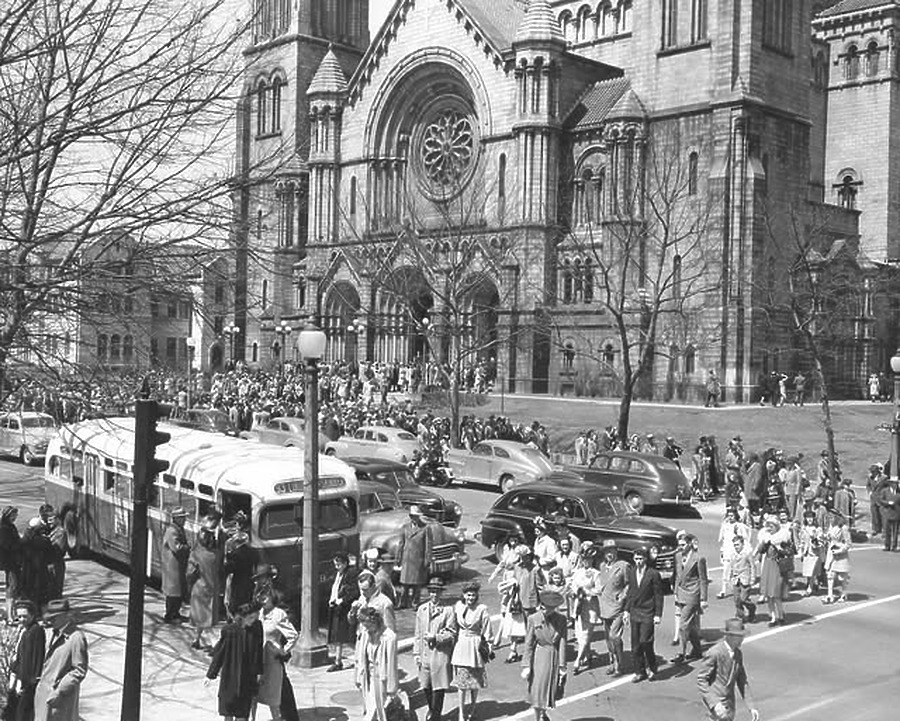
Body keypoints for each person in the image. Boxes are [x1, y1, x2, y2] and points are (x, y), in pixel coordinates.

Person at [205, 601, 264, 721]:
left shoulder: (257, 628)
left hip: (248, 677)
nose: (253, 620)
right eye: (251, 617)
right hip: (230, 675)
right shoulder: (229, 631)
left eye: (255, 617)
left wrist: (259, 672)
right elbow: (220, 653)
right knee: (229, 710)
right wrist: (211, 674)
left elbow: (258, 651)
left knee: (243, 713)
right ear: (242, 617)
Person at [33, 600, 88, 721]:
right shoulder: (55, 633)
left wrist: (60, 691)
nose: (50, 621)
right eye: (49, 618)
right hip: (44, 694)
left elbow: (79, 670)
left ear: (66, 616)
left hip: (59, 699)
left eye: (54, 618)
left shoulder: (76, 638)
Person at [696, 618, 759, 721]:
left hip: (729, 708)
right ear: (729, 636)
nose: (742, 639)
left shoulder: (738, 654)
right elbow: (702, 680)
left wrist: (751, 706)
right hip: (714, 710)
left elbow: (742, 681)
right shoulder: (714, 653)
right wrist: (715, 703)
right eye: (739, 636)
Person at [413, 577, 457, 721]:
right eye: (432, 592)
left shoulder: (448, 611)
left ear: (441, 593)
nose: (434, 595)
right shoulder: (422, 609)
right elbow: (418, 633)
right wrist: (416, 653)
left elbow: (451, 634)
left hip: (440, 654)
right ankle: (432, 710)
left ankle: (435, 716)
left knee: (438, 687)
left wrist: (436, 637)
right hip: (425, 654)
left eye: (437, 592)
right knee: (425, 685)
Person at [521, 590, 568, 721]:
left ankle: (543, 713)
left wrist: (562, 665)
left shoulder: (561, 619)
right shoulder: (533, 619)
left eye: (552, 608)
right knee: (538, 689)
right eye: (547, 608)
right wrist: (526, 665)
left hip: (553, 655)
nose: (549, 610)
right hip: (539, 656)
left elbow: (563, 641)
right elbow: (529, 643)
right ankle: (538, 716)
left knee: (550, 689)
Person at [450, 582, 493, 721]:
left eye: (473, 595)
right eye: (468, 595)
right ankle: (461, 714)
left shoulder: (482, 609)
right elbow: (452, 625)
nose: (471, 598)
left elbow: (487, 628)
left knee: (474, 682)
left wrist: (489, 644)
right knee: (461, 683)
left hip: (475, 646)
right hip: (461, 645)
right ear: (464, 595)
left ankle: (473, 708)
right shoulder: (458, 606)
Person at [623, 548, 663, 683]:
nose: (638, 562)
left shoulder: (653, 574)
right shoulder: (632, 572)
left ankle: (652, 667)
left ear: (645, 559)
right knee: (635, 645)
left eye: (640, 559)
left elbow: (658, 595)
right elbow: (631, 593)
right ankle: (640, 672)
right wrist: (626, 610)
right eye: (636, 559)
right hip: (635, 611)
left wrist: (658, 614)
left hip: (648, 612)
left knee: (646, 641)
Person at [257, 590, 298, 721]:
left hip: (272, 661)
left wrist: (283, 651)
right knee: (255, 696)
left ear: (272, 597)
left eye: (265, 595)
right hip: (257, 660)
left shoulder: (278, 614)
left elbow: (293, 635)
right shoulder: (258, 613)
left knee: (273, 697)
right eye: (259, 595)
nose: (262, 598)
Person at [355, 607, 399, 721]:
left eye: (368, 625)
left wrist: (391, 689)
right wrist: (359, 677)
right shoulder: (365, 633)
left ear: (375, 622)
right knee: (371, 709)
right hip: (367, 676)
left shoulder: (389, 637)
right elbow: (361, 655)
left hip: (380, 678)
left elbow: (391, 664)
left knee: (373, 711)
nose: (366, 628)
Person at [671, 534, 709, 664]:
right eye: (679, 545)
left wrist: (703, 598)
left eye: (683, 545)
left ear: (690, 544)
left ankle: (681, 652)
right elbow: (677, 575)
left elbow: (703, 579)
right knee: (691, 625)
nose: (680, 547)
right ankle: (697, 650)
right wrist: (676, 590)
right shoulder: (678, 556)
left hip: (693, 594)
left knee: (683, 624)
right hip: (681, 593)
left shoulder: (699, 558)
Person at [8, 599, 45, 721]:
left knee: (23, 715)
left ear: (33, 615)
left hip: (27, 681)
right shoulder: (24, 630)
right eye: (19, 616)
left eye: (25, 616)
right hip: (18, 678)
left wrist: (24, 682)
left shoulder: (36, 631)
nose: (22, 619)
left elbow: (33, 658)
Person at [596, 539, 629, 677]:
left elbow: (629, 584)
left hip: (617, 607)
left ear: (616, 551)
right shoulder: (602, 566)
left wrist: (623, 594)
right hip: (604, 607)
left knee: (614, 636)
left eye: (612, 550)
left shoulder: (623, 566)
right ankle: (612, 662)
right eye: (607, 551)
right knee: (608, 639)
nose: (610, 553)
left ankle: (619, 664)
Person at [187, 519, 220, 651]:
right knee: (207, 617)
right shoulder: (215, 554)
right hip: (213, 587)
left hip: (200, 588)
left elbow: (190, 573)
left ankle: (214, 644)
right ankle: (197, 639)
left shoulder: (196, 554)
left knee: (204, 618)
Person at [754, 515, 791, 625]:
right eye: (768, 526)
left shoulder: (783, 537)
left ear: (776, 526)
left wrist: (779, 548)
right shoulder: (766, 537)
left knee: (776, 594)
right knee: (769, 595)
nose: (769, 528)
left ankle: (781, 615)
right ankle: (773, 617)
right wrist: (764, 543)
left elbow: (789, 551)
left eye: (771, 526)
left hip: (777, 567)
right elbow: (760, 550)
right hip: (768, 565)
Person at [569, 543, 599, 675]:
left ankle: (577, 661)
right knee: (580, 634)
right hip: (578, 606)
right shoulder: (578, 572)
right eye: (584, 559)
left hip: (590, 606)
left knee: (586, 634)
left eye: (589, 559)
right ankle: (588, 655)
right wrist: (575, 591)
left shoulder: (596, 574)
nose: (586, 562)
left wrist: (586, 591)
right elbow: (572, 585)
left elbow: (599, 590)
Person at [396, 505, 433, 610]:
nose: (414, 518)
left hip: (418, 560)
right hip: (407, 560)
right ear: (410, 516)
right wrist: (398, 558)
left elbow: (428, 546)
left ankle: (415, 603)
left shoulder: (425, 528)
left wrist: (427, 560)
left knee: (417, 584)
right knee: (404, 584)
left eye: (416, 516)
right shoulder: (405, 527)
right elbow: (401, 543)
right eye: (412, 516)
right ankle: (403, 602)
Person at [327, 552, 359, 672]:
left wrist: (343, 600)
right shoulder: (337, 574)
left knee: (349, 637)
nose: (337, 567)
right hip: (336, 608)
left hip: (346, 608)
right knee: (337, 636)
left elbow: (354, 592)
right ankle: (338, 661)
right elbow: (334, 588)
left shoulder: (350, 574)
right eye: (335, 565)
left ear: (345, 563)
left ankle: (360, 658)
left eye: (339, 565)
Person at [161, 506, 190, 623]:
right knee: (173, 592)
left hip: (177, 565)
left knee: (177, 592)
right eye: (182, 518)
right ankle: (170, 615)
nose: (184, 520)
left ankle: (176, 613)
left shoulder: (178, 529)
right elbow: (177, 548)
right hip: (172, 566)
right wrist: (188, 548)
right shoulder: (172, 531)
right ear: (176, 519)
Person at [716, 507, 749, 599]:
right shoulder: (725, 525)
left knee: (738, 571)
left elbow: (745, 538)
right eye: (729, 515)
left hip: (736, 551)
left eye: (732, 515)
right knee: (726, 570)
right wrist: (722, 550)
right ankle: (723, 590)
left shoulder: (739, 526)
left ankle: (739, 589)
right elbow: (721, 538)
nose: (730, 517)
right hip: (727, 550)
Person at [223, 531, 257, 619]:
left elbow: (228, 569)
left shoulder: (234, 554)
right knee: (248, 602)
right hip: (250, 581)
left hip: (238, 582)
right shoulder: (253, 552)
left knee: (237, 605)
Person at [823, 512, 852, 604]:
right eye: (829, 517)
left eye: (832, 517)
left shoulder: (843, 528)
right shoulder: (831, 527)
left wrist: (840, 550)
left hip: (840, 554)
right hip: (831, 553)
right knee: (830, 575)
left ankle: (844, 594)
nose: (830, 519)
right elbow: (829, 538)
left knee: (842, 577)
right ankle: (829, 595)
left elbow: (848, 544)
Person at [0, 506, 22, 619]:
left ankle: (13, 612)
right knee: (12, 587)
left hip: (15, 561)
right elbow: (7, 545)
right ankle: (10, 614)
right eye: (14, 515)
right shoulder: (4, 528)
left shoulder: (11, 526)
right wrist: (19, 544)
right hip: (10, 561)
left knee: (14, 587)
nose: (16, 517)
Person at [728, 535, 756, 623]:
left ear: (742, 544)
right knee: (737, 599)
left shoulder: (747, 553)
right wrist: (730, 578)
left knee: (743, 599)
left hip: (745, 578)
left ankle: (752, 608)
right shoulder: (733, 554)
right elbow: (731, 567)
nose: (736, 547)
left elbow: (752, 566)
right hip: (736, 579)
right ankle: (740, 616)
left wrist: (752, 578)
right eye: (735, 545)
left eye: (738, 544)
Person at [798, 511, 825, 597]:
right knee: (807, 570)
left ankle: (810, 588)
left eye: (811, 518)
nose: (809, 519)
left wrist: (815, 539)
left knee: (813, 570)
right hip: (807, 552)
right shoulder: (804, 528)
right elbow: (801, 540)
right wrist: (801, 551)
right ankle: (812, 583)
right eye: (808, 518)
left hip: (815, 552)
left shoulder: (818, 529)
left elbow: (821, 541)